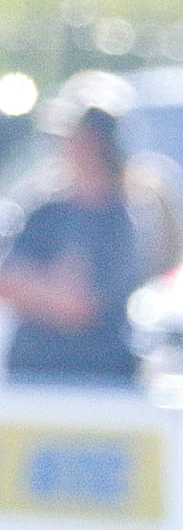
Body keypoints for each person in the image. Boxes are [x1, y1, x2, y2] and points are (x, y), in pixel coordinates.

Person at [0, 104, 142, 386]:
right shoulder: (44, 212)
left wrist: (38, 286)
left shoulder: (122, 221)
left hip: (100, 383)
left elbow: (81, 307)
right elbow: (7, 282)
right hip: (32, 376)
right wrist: (56, 287)